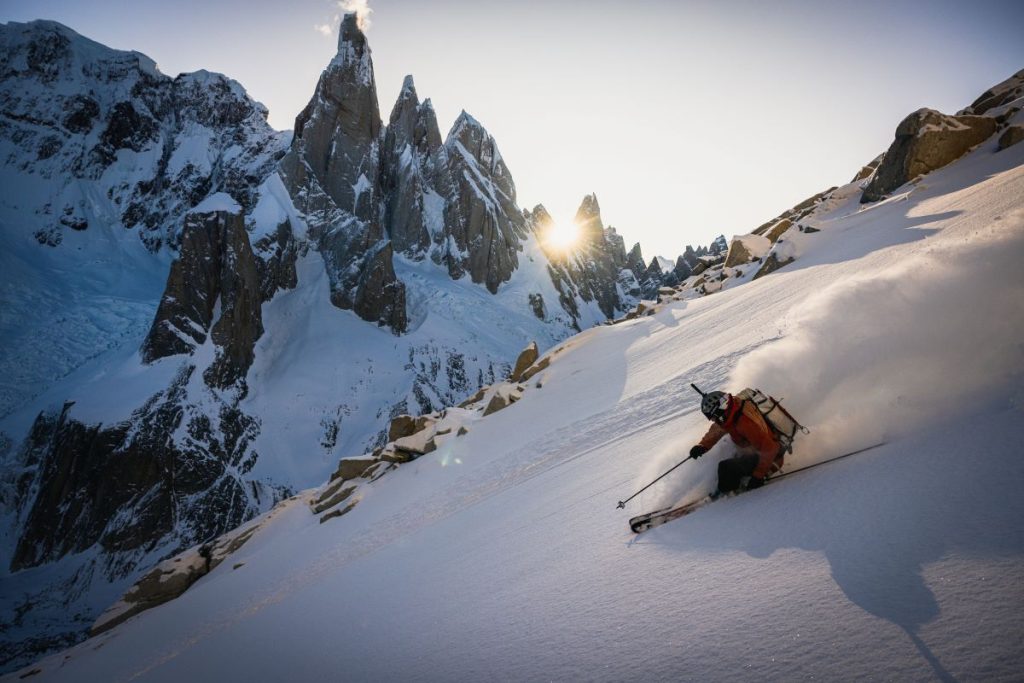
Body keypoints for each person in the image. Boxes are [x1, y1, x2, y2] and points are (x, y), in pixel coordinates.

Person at [689, 389, 784, 495]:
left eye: (714, 417)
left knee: (725, 467)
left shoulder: (744, 422)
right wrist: (702, 446)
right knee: (726, 449)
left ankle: (727, 494)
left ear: (719, 410)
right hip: (757, 452)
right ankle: (728, 485)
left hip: (772, 460)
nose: (714, 420)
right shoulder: (732, 410)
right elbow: (717, 429)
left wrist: (758, 476)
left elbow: (770, 448)